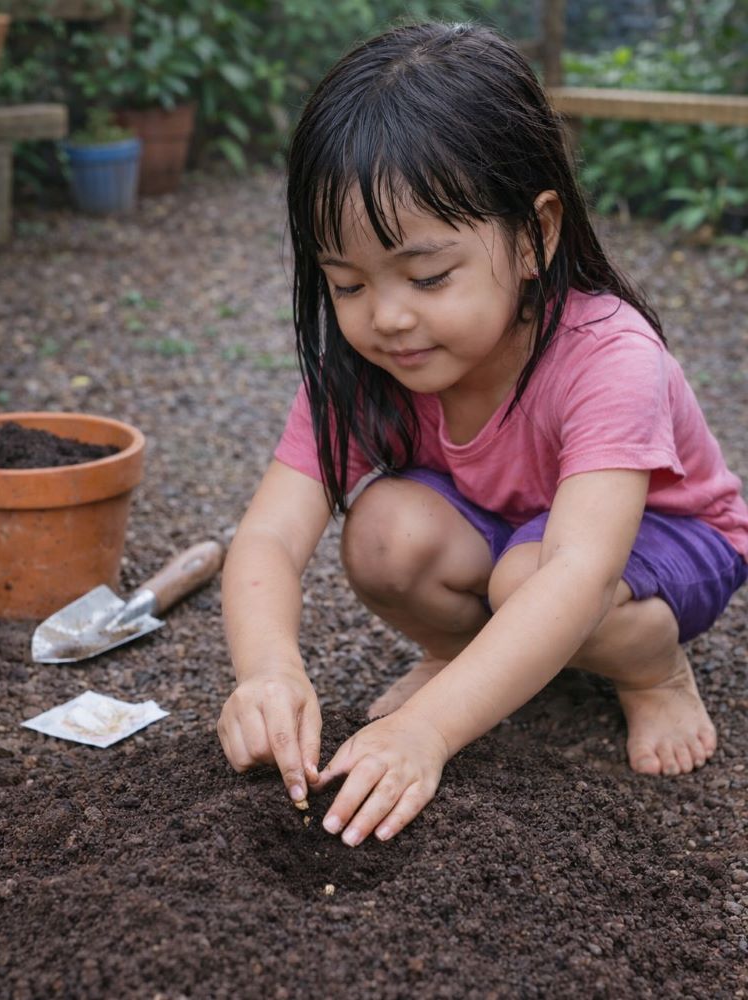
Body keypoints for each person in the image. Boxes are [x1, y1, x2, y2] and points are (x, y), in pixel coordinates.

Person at [216, 22, 748, 848]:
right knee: (385, 536)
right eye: (347, 283)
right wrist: (268, 671)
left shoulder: (608, 357)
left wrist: (426, 732)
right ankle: (475, 665)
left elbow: (575, 571)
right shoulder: (363, 368)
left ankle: (652, 670)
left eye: (428, 277)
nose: (387, 317)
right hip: (509, 538)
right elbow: (269, 539)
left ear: (536, 234)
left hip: (664, 540)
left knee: (531, 576)